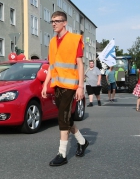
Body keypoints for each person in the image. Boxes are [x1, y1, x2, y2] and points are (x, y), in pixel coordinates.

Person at [41, 11, 89, 166]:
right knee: (66, 118)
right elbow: (52, 65)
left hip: (70, 86)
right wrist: (45, 82)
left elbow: (80, 65)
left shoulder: (75, 40)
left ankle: (62, 154)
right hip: (57, 85)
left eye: (57, 20)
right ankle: (82, 142)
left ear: (64, 23)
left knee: (62, 117)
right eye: (52, 21)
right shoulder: (52, 42)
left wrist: (81, 86)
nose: (54, 23)